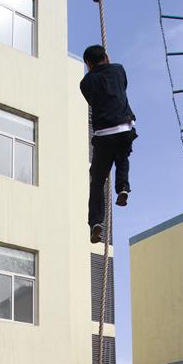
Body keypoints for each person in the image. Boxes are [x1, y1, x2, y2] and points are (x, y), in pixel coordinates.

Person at [80, 44, 137, 244]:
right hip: (124, 127)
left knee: (97, 181)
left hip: (104, 134)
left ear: (88, 64)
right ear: (106, 57)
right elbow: (122, 87)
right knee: (122, 158)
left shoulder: (85, 83)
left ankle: (96, 222)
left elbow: (92, 100)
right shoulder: (119, 70)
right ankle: (123, 188)